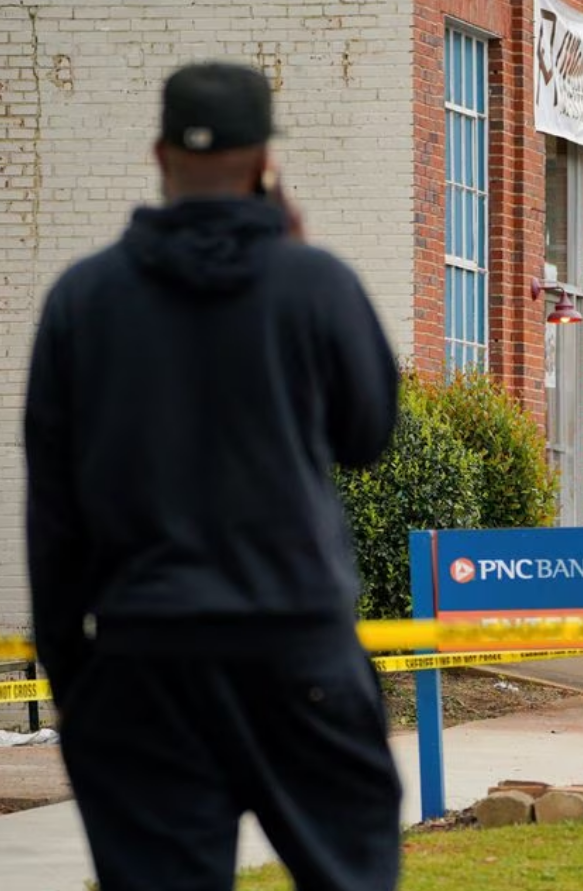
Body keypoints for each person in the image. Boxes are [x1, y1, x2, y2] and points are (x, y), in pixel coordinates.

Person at [24, 62, 402, 891]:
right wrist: (297, 263)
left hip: (144, 654)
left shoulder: (82, 301)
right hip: (295, 645)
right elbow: (368, 434)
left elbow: (52, 514)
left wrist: (73, 675)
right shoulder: (315, 284)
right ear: (264, 157)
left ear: (159, 153)